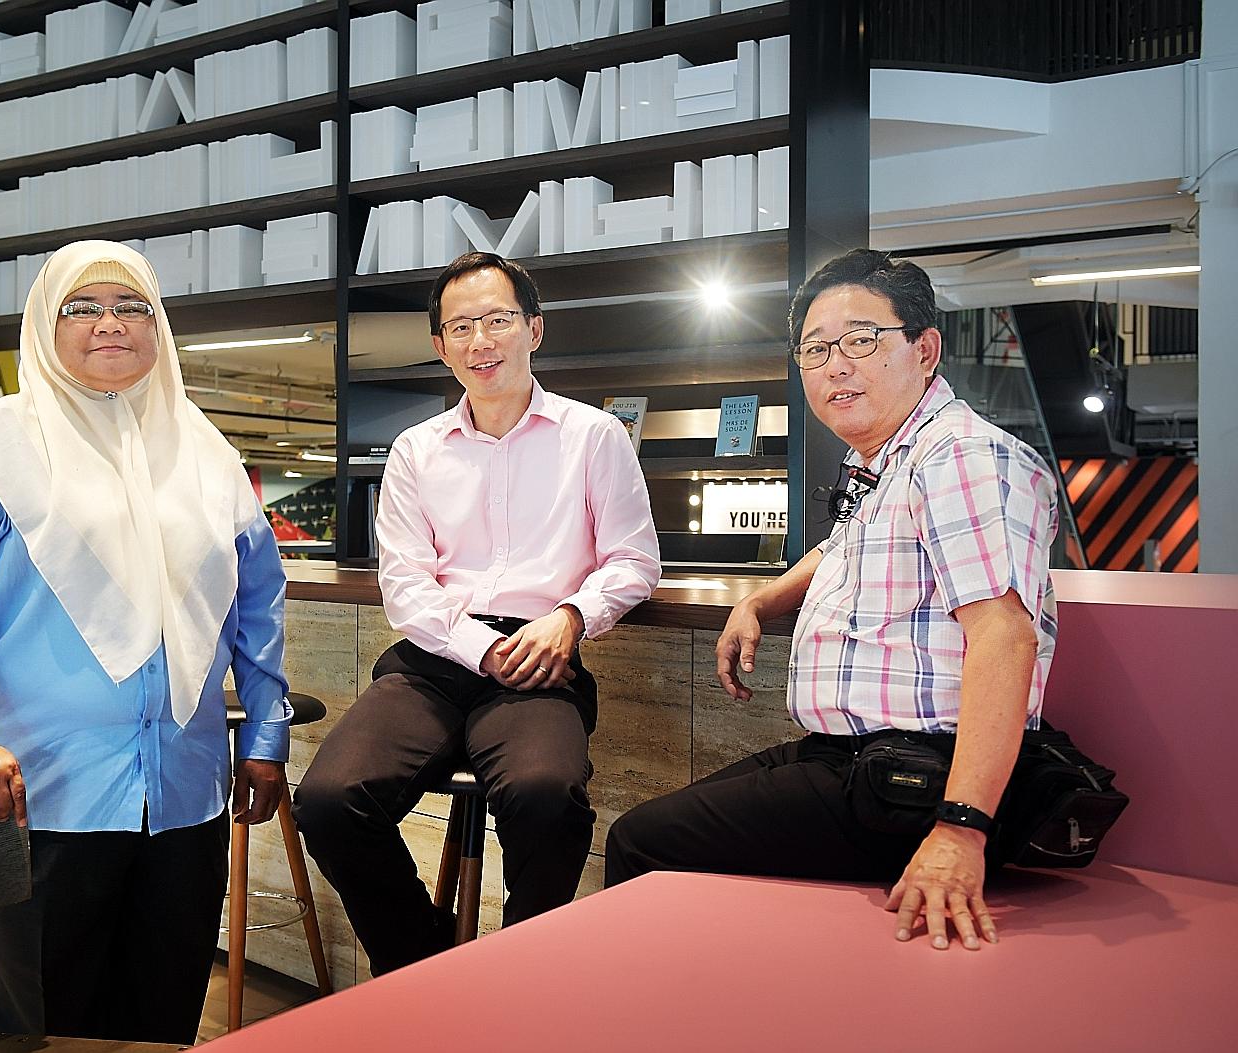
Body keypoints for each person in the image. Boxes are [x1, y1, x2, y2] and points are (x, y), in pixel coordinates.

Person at [0, 240, 291, 1045]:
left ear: (159, 326)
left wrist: (268, 733)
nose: (111, 323)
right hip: (38, 799)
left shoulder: (207, 455)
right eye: (84, 305)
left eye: (132, 305)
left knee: (162, 1017)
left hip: (185, 795)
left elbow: (258, 606)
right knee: (41, 1023)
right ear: (46, 322)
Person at [605, 249, 1058, 952]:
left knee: (642, 845)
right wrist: (759, 600)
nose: (835, 365)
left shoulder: (961, 458)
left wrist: (961, 827)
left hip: (918, 779)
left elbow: (1005, 637)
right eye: (816, 349)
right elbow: (843, 547)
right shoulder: (893, 461)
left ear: (925, 348)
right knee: (662, 829)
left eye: (860, 340)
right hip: (850, 760)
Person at [294, 251, 661, 974]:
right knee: (330, 801)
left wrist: (571, 614)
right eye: (460, 326)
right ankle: (431, 970)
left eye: (497, 320)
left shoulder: (595, 437)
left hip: (539, 655)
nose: (480, 340)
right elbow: (405, 585)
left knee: (545, 796)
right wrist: (477, 647)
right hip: (432, 663)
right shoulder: (416, 450)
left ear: (534, 329)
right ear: (440, 345)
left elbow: (633, 558)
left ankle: (520, 983)